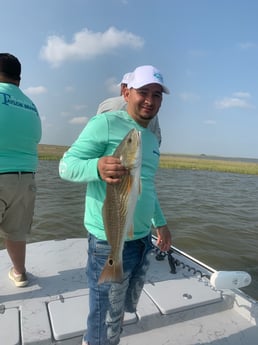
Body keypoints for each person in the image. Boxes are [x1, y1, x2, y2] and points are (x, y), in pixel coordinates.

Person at [59, 65, 172, 345]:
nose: (150, 100)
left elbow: (146, 184)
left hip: (143, 239)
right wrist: (96, 167)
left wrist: (161, 223)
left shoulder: (152, 138)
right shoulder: (105, 123)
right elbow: (66, 166)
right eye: (143, 92)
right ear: (126, 92)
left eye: (156, 95)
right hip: (107, 242)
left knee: (121, 309)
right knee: (104, 316)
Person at [0, 53, 42, 287]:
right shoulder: (31, 104)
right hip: (25, 180)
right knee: (16, 233)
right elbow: (36, 137)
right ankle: (19, 273)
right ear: (19, 78)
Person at [96, 71, 162, 146]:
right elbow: (157, 141)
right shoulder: (150, 112)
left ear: (124, 88)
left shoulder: (110, 104)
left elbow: (96, 134)